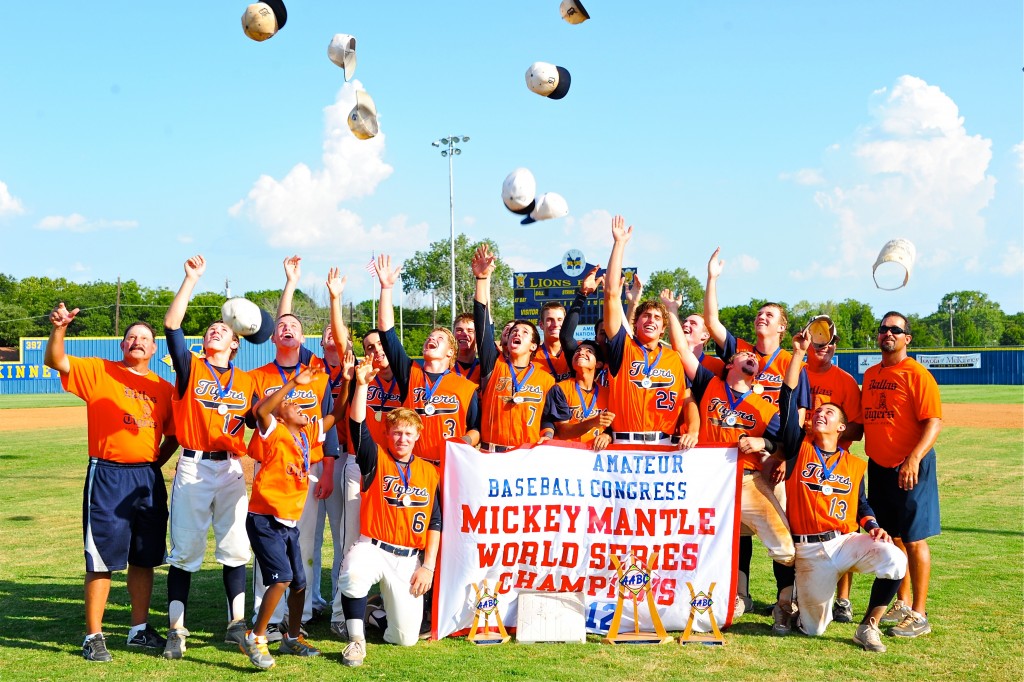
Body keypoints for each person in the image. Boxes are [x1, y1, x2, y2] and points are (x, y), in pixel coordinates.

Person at [44, 305, 178, 662]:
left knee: (144, 557)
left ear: (153, 350)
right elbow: (56, 360)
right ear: (122, 346)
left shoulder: (163, 389)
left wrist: (153, 465)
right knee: (101, 558)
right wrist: (59, 329)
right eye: (131, 336)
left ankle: (138, 630)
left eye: (145, 339)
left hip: (146, 479)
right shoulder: (99, 371)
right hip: (107, 474)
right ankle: (94, 636)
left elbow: (174, 434)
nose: (138, 341)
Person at [775, 329, 907, 652]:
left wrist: (874, 527)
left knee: (895, 560)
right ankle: (793, 607)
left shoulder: (853, 464)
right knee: (814, 630)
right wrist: (797, 354)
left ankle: (868, 626)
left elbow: (861, 505)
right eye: (818, 411)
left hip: (845, 541)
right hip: (809, 551)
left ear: (842, 428)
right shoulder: (798, 448)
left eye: (829, 413)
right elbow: (787, 401)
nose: (820, 413)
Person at [703, 246, 811, 617]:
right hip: (735, 459)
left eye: (771, 315)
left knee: (778, 530)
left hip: (774, 459)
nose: (762, 317)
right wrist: (713, 278)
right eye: (759, 313)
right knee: (737, 531)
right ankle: (741, 593)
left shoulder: (789, 361)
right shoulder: (743, 353)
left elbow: (796, 417)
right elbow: (712, 320)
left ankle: (787, 596)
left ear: (782, 326)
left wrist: (781, 456)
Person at [162, 255, 255, 659]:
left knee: (235, 549)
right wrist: (191, 280)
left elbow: (260, 419)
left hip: (231, 469)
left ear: (235, 342)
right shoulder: (191, 367)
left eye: (222, 329)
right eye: (210, 329)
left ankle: (236, 624)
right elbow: (172, 326)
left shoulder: (248, 380)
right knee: (185, 551)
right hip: (194, 465)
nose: (215, 330)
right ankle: (177, 630)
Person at [676, 329, 795, 630]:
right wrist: (671, 311)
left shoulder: (766, 408)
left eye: (754, 357)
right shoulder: (710, 384)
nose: (752, 356)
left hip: (747, 481)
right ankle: (718, 598)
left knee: (786, 549)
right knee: (699, 543)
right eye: (745, 355)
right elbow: (680, 347)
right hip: (708, 482)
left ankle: (786, 602)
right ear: (729, 365)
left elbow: (788, 444)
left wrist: (763, 444)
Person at [247, 256, 340, 640]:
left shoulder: (316, 370)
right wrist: (290, 282)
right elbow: (283, 322)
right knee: (269, 549)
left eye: (295, 328)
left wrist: (329, 469)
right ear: (273, 337)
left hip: (309, 468)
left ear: (304, 340)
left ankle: (304, 609)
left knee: (305, 544)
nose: (287, 329)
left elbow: (329, 421)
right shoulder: (260, 376)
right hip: (270, 469)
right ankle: (264, 614)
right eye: (281, 327)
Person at [240, 365, 348, 669]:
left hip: (288, 522)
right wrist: (290, 385)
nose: (301, 408)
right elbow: (262, 411)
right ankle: (256, 637)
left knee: (299, 583)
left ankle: (292, 636)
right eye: (293, 406)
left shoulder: (306, 435)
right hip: (265, 519)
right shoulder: (273, 432)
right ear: (281, 416)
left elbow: (336, 414)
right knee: (283, 578)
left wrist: (351, 382)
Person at [337, 358, 442, 667]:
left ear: (418, 436)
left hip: (409, 558)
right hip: (374, 547)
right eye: (396, 433)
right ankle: (356, 640)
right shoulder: (376, 459)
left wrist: (429, 567)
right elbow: (357, 425)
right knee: (353, 573)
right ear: (388, 434)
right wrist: (362, 384)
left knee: (405, 638)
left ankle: (374, 613)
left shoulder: (428, 471)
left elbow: (435, 522)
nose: (402, 439)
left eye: (408, 434)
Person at [862, 312, 942, 638]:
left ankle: (920, 615)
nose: (888, 334)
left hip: (910, 466)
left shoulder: (917, 374)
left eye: (895, 329)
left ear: (907, 338)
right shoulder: (870, 375)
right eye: (883, 329)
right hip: (879, 467)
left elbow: (933, 422)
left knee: (913, 538)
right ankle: (903, 602)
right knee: (891, 538)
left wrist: (913, 459)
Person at [374, 254, 481, 463]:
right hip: (415, 465)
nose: (431, 339)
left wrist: (464, 441)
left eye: (439, 338)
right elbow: (387, 333)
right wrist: (386, 289)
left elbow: (476, 428)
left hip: (451, 464)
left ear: (451, 352)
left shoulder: (466, 387)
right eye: (429, 337)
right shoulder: (411, 373)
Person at [601, 215, 688, 446]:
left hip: (664, 447)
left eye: (657, 318)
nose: (651, 320)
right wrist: (619, 244)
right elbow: (610, 294)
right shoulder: (622, 347)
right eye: (646, 316)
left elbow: (689, 401)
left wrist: (695, 431)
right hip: (623, 446)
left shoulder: (675, 358)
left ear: (663, 329)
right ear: (635, 323)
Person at [800, 315, 864, 623]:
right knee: (799, 529)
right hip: (801, 462)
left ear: (835, 346)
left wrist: (824, 433)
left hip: (836, 464)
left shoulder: (845, 381)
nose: (824, 347)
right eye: (819, 341)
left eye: (830, 342)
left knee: (845, 530)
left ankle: (844, 599)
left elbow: (857, 430)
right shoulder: (798, 372)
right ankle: (794, 595)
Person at [473, 243, 557, 450]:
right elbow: (482, 323)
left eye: (525, 332)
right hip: (490, 453)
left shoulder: (546, 379)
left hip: (524, 458)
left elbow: (547, 418)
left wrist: (547, 434)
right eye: (513, 331)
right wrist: (482, 280)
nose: (517, 333)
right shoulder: (494, 364)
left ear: (533, 346)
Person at [548, 340, 615, 449]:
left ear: (598, 364)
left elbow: (616, 425)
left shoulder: (608, 393)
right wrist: (593, 422)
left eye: (589, 351)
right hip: (569, 454)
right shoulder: (560, 389)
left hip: (597, 456)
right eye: (578, 351)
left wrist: (607, 435)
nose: (581, 353)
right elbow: (562, 432)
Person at [533, 302, 573, 381]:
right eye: (550, 320)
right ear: (541, 325)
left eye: (559, 319)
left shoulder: (576, 351)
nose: (555, 324)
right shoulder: (532, 355)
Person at [452, 313, 481, 385]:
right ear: (453, 334)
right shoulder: (444, 366)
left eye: (470, 331)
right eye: (459, 330)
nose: (464, 334)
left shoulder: (484, 369)